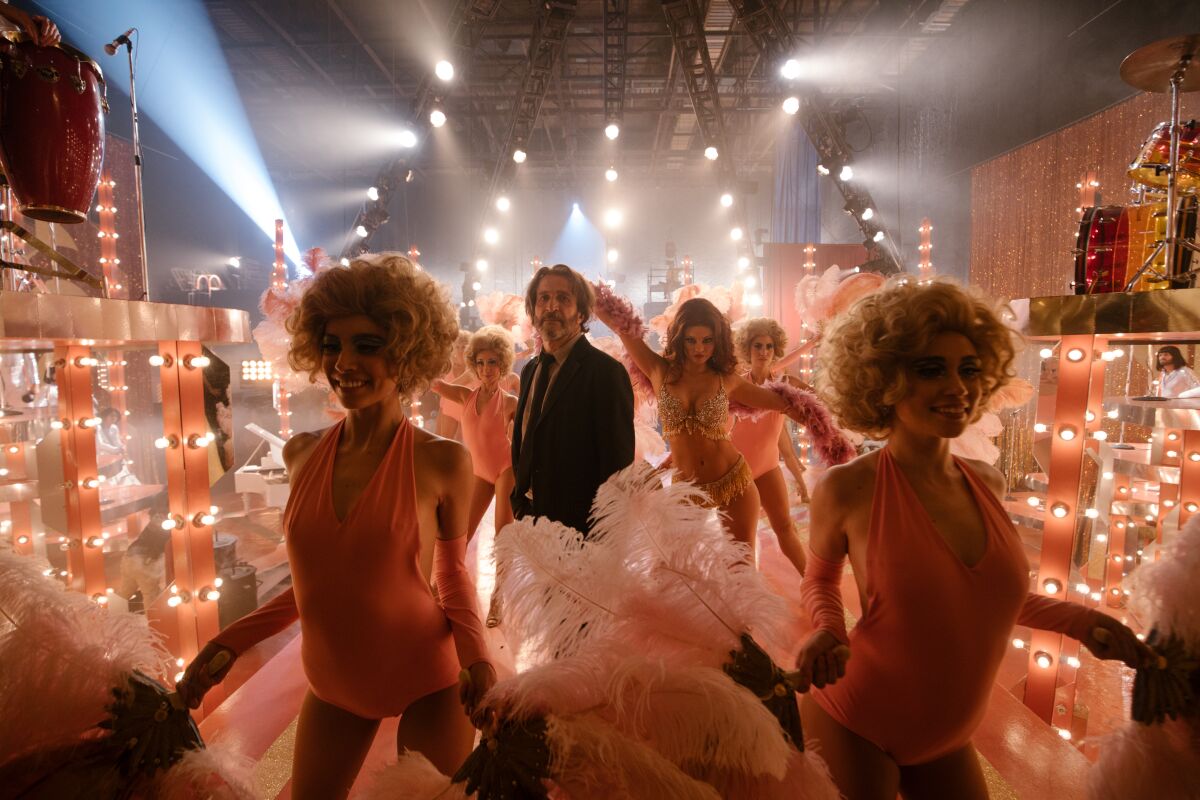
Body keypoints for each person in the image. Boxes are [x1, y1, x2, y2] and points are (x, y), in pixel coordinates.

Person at [793, 280, 1152, 800]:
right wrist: (829, 628)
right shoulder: (848, 487)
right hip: (858, 721)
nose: (958, 387)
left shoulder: (987, 481)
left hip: (947, 738)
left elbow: (976, 597)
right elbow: (821, 576)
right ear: (884, 380)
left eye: (967, 369)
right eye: (931, 369)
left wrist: (1081, 621)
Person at [177, 253, 494, 798]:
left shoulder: (442, 461)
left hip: (430, 679)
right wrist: (229, 640)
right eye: (331, 344)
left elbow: (452, 576)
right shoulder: (303, 454)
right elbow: (313, 582)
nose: (343, 361)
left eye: (367, 346)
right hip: (333, 686)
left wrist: (478, 660)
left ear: (406, 353)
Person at [596, 296, 822, 550]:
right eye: (691, 340)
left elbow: (781, 403)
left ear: (718, 341)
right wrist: (582, 291)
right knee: (676, 571)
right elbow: (620, 326)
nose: (699, 349)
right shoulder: (658, 370)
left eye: (707, 341)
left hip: (732, 481)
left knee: (740, 573)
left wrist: (822, 420)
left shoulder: (726, 379)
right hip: (687, 488)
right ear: (680, 339)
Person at [511, 264, 635, 536]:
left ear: (581, 313)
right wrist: (519, 500)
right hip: (530, 520)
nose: (551, 306)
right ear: (533, 309)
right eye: (543, 298)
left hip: (581, 530)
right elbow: (524, 441)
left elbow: (617, 468)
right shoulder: (531, 370)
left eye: (563, 298)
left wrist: (603, 536)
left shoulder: (605, 373)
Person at [433, 325, 517, 627]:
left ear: (503, 364)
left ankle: (498, 599)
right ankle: (439, 587)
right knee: (460, 535)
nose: (486, 369)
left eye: (492, 362)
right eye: (480, 363)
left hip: (507, 469)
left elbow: (526, 440)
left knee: (502, 536)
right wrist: (470, 371)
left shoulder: (510, 402)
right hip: (480, 472)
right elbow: (435, 384)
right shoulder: (465, 395)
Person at [730, 318, 810, 577]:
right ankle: (746, 601)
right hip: (737, 471)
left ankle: (816, 587)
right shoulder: (735, 385)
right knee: (741, 541)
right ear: (747, 349)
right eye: (757, 346)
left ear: (776, 350)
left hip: (768, 468)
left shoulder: (787, 384)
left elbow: (818, 407)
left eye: (769, 346)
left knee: (785, 527)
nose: (763, 352)